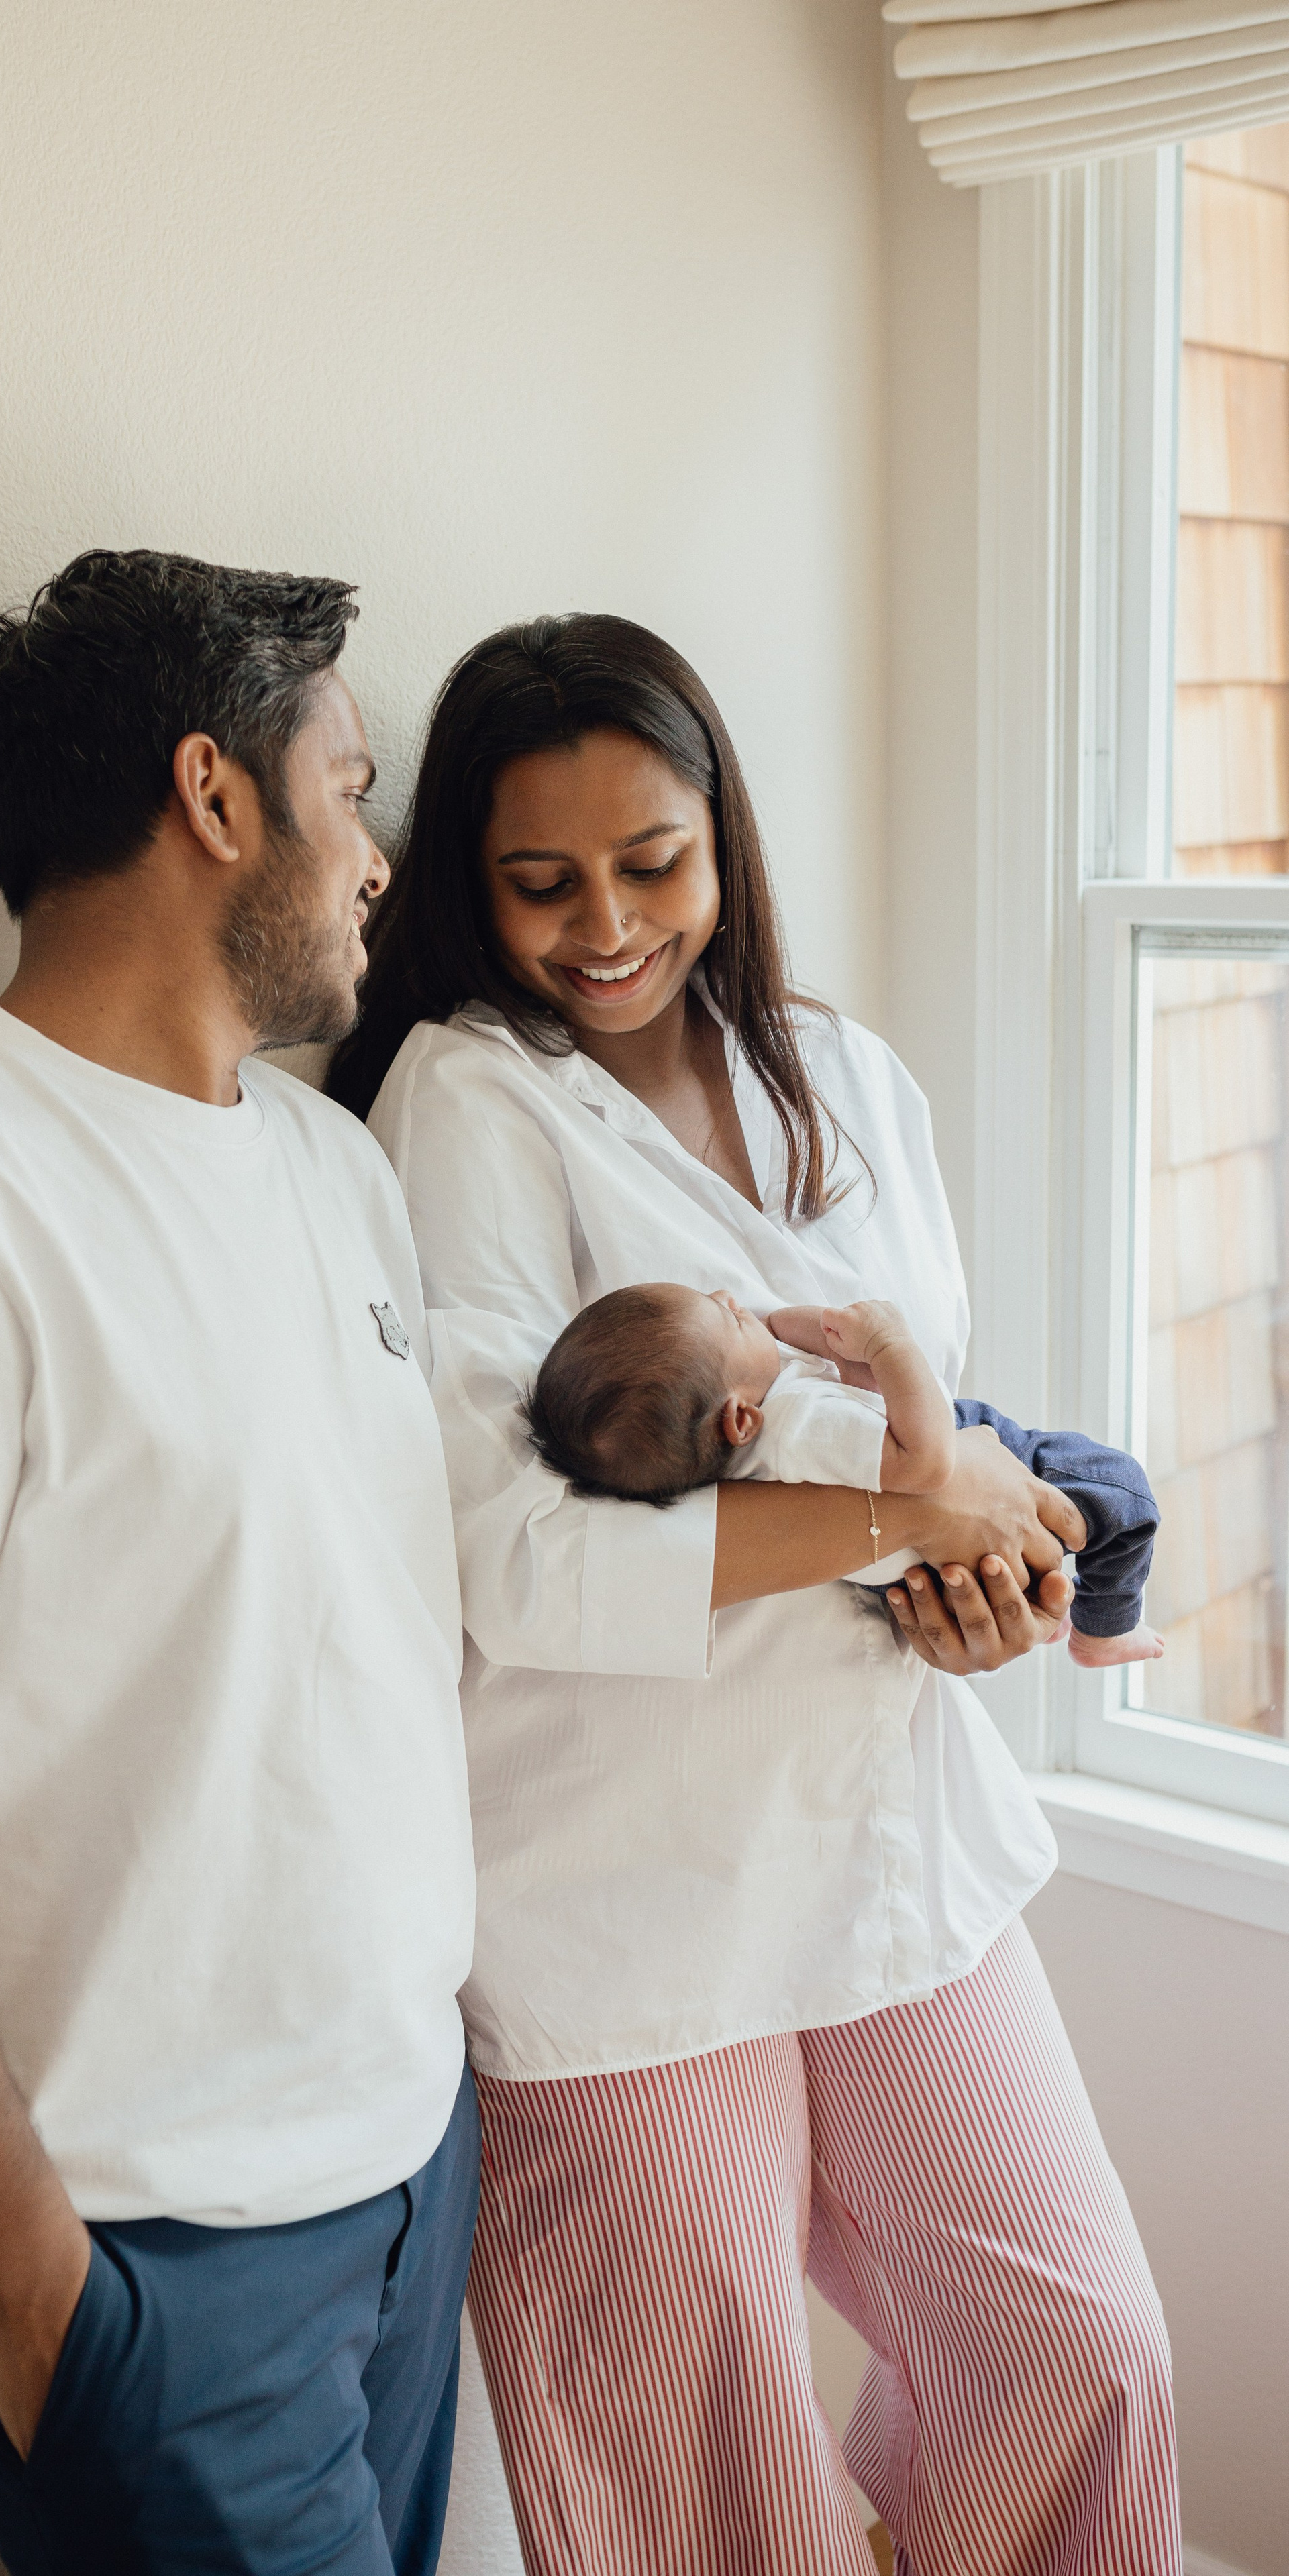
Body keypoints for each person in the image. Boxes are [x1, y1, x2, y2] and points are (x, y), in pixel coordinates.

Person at [328, 614, 1182, 2576]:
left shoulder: (849, 1078)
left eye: (653, 863)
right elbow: (510, 1557)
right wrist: (914, 1505)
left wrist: (975, 1582)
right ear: (469, 880)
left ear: (723, 837)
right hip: (614, 1894)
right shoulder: (466, 1104)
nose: (607, 924)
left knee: (1080, 2350)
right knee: (700, 2491)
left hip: (884, 1833)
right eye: (540, 882)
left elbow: (939, 1450)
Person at [0, 548, 480, 2576]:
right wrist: (37, 2283)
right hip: (136, 2241)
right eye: (350, 788)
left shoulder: (327, 1164)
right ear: (215, 795)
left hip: (394, 2164)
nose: (382, 856)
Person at [525, 1283, 1164, 1665]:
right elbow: (930, 1461)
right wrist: (889, 1344)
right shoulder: (802, 1425)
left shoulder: (766, 1426)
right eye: (727, 1318)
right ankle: (1106, 1631)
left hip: (914, 1544)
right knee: (1122, 1494)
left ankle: (1069, 1614)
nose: (730, 1297)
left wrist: (803, 1333)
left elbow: (793, 1338)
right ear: (740, 1419)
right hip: (969, 1453)